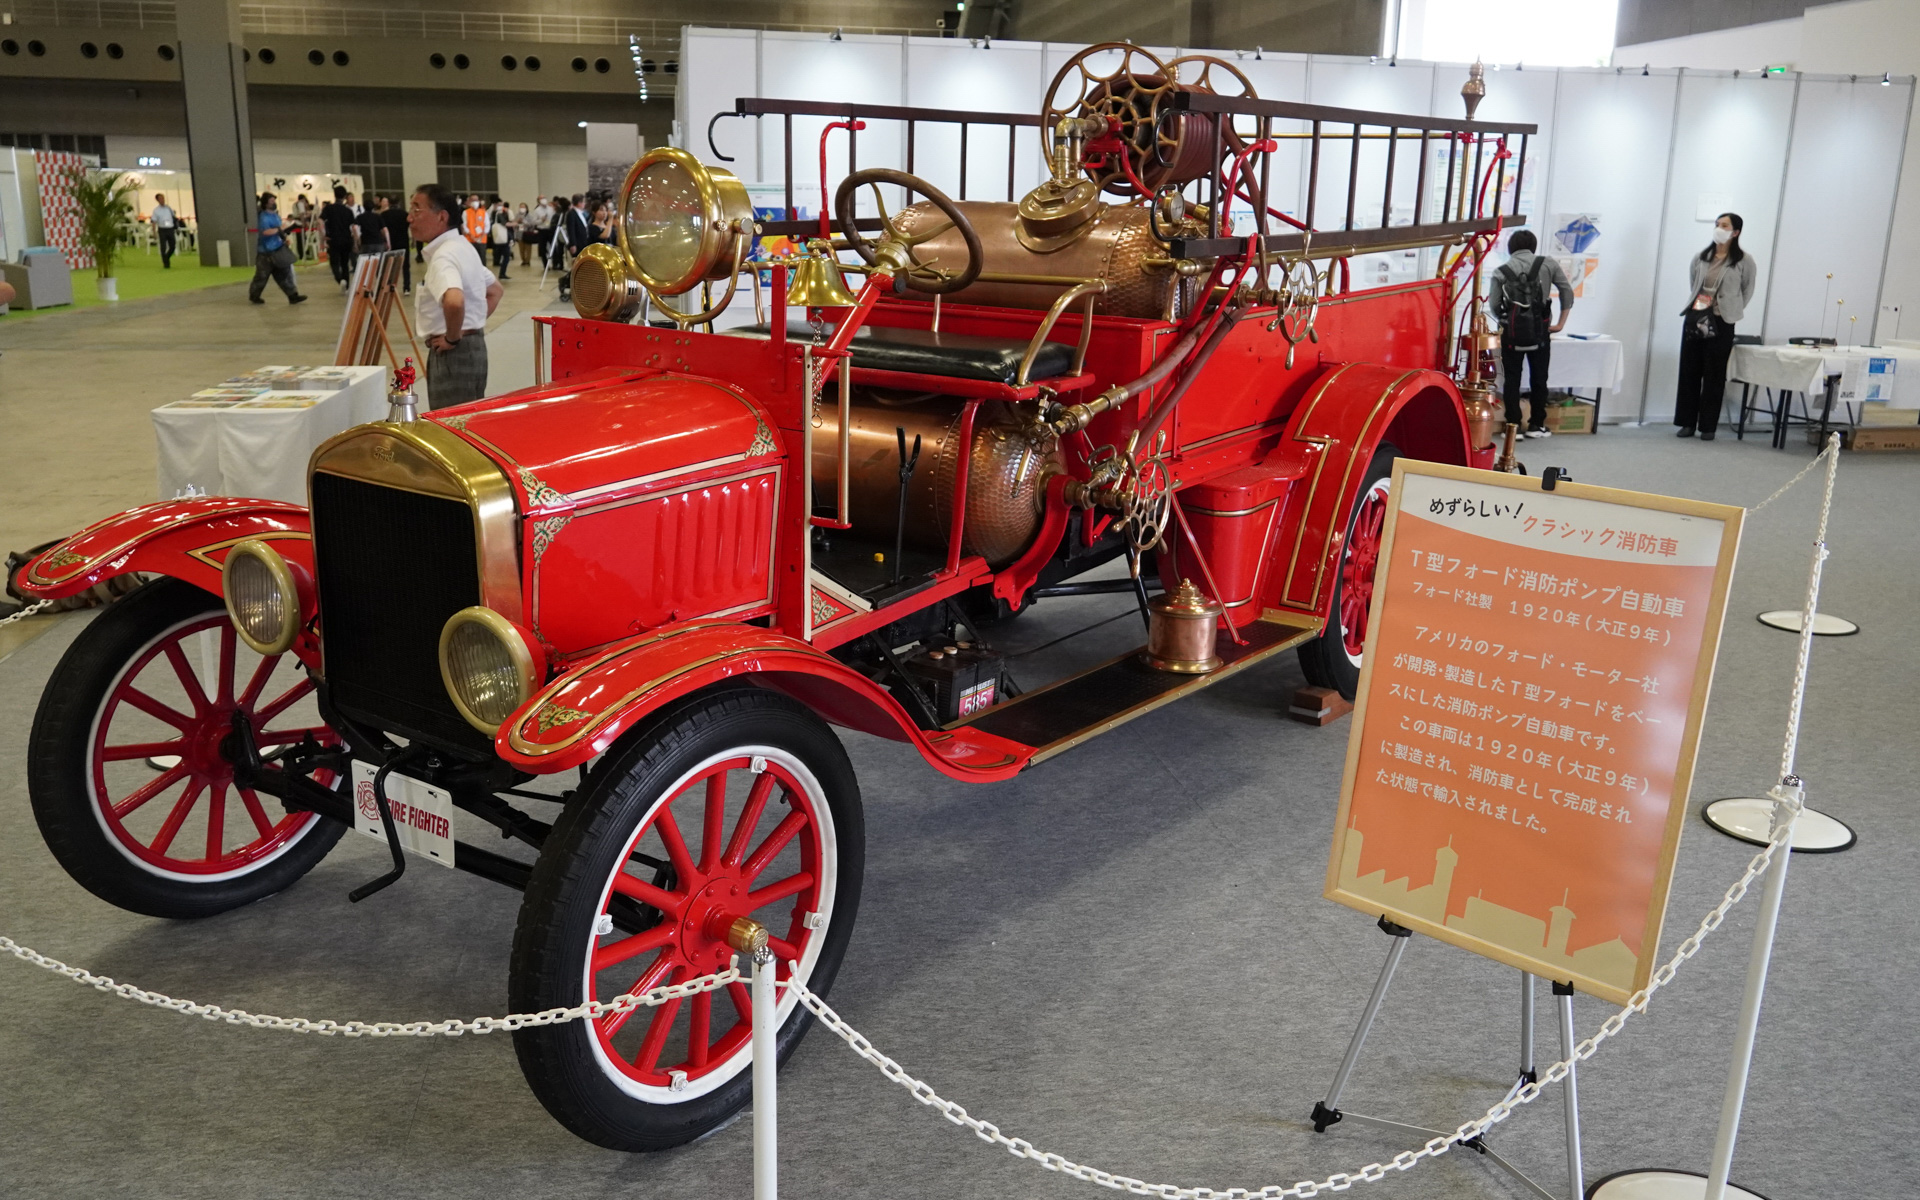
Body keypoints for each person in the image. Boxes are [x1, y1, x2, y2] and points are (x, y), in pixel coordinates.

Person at [409, 183, 502, 408]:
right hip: (473, 347)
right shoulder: (462, 246)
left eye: (416, 210)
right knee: (466, 423)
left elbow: (454, 301)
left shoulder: (444, 256)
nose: (410, 218)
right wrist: (469, 326)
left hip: (454, 354)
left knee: (449, 429)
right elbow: (495, 291)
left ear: (442, 216)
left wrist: (453, 336)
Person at [1674, 212, 1759, 441]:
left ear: (1735, 232)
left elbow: (1747, 290)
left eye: (1724, 225)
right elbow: (1694, 284)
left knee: (1714, 373)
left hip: (1723, 320)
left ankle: (1708, 426)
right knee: (1690, 370)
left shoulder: (1744, 260)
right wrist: (1701, 306)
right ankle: (1687, 423)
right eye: (1717, 224)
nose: (1719, 228)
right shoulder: (1701, 257)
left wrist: (1729, 307)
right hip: (1696, 317)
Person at [1487, 229, 1574, 439]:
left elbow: (1494, 304)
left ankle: (1512, 427)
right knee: (1539, 378)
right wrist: (1561, 322)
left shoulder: (1501, 271)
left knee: (1512, 379)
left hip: (1512, 334)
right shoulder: (1548, 263)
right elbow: (1566, 291)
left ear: (1510, 248)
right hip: (1540, 332)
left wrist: (1507, 321)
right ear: (1533, 246)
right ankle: (1536, 425)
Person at [248, 192, 307, 306]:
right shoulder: (263, 217)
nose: (274, 203)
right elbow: (265, 232)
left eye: (274, 201)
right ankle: (254, 295)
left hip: (278, 248)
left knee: (284, 274)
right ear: (266, 203)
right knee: (262, 276)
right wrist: (279, 230)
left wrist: (284, 238)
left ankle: (293, 295)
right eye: (271, 201)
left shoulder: (275, 215)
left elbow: (280, 230)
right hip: (265, 252)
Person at [320, 186, 357, 290]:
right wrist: (355, 242)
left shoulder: (328, 208)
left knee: (334, 263)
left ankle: (340, 279)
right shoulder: (348, 211)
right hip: (346, 240)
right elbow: (353, 227)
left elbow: (320, 221)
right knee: (345, 263)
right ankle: (347, 286)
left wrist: (323, 236)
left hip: (334, 239)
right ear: (345, 197)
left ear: (334, 194)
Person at [556, 193, 591, 301]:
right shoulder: (571, 214)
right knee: (577, 266)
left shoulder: (580, 213)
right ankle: (565, 281)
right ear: (579, 203)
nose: (584, 204)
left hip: (583, 243)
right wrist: (573, 244)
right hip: (577, 244)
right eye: (583, 202)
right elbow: (571, 230)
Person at [381, 194, 412, 293]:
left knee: (390, 264)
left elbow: (383, 230)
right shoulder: (404, 214)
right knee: (405, 265)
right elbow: (410, 227)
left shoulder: (384, 215)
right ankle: (406, 287)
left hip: (390, 242)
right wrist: (414, 240)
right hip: (403, 241)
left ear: (389, 203)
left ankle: (390, 285)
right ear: (399, 203)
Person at [150, 193, 179, 269]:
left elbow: (173, 216)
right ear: (157, 200)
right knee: (163, 247)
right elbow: (154, 221)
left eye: (163, 198)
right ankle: (166, 263)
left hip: (170, 228)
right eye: (160, 199)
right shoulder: (156, 211)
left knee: (173, 245)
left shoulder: (168, 208)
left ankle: (167, 257)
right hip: (162, 229)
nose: (162, 200)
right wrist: (154, 232)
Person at [489, 199, 515, 279]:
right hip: (503, 238)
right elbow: (505, 223)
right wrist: (515, 224)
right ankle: (502, 273)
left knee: (499, 254)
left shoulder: (494, 213)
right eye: (499, 205)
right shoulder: (498, 214)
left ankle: (502, 272)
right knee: (506, 256)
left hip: (497, 238)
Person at [290, 192, 313, 260]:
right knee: (302, 240)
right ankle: (304, 255)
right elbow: (302, 214)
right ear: (303, 199)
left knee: (300, 240)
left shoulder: (294, 204)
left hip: (296, 222)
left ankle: (302, 254)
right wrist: (304, 223)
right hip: (300, 223)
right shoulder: (300, 204)